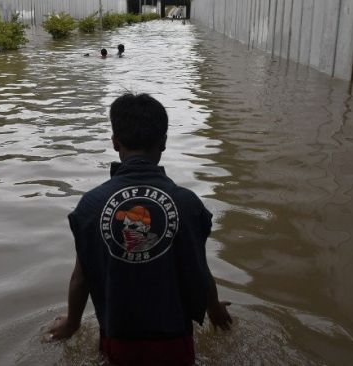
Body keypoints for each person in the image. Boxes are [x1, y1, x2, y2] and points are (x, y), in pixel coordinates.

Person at [48, 93, 232, 366]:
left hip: (118, 339)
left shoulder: (91, 205)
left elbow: (81, 278)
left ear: (114, 142)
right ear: (164, 142)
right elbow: (199, 268)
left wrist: (72, 323)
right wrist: (213, 309)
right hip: (174, 341)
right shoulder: (187, 204)